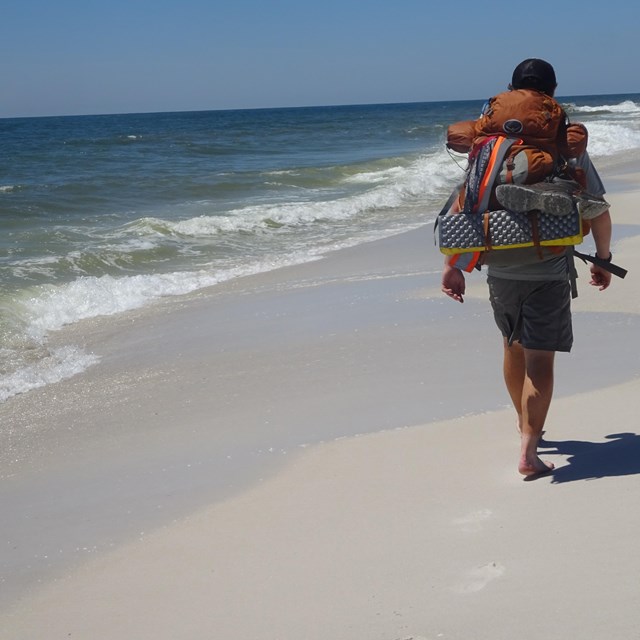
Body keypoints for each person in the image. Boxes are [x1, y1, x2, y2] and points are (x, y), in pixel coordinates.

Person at [441, 58, 613, 478]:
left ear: (509, 90)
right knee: (541, 361)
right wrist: (603, 260)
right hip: (548, 265)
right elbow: (599, 207)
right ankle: (528, 451)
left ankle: (523, 422)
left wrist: (454, 266)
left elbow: (467, 204)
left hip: (498, 264)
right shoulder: (563, 143)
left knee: (512, 346)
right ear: (551, 93)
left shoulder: (489, 145)